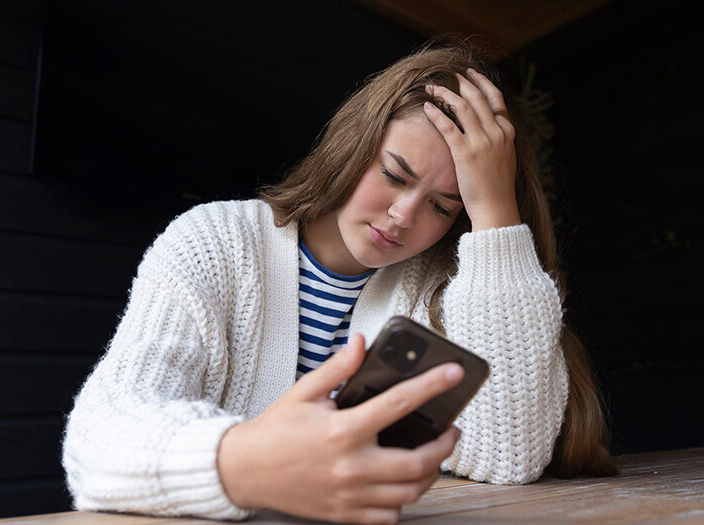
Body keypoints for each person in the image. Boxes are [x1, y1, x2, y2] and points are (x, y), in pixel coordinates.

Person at [61, 39, 616, 525]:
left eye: (446, 206)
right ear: (352, 144)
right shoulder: (215, 243)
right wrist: (254, 465)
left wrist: (496, 210)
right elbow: (99, 443)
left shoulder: (447, 285)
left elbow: (508, 455)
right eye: (394, 175)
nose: (402, 216)